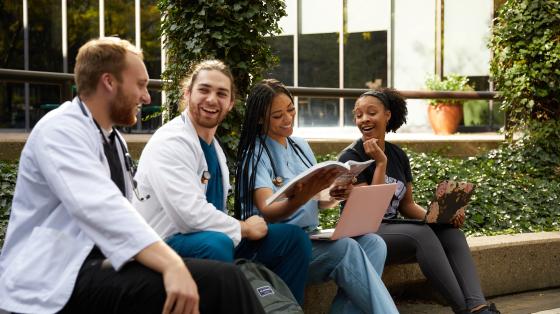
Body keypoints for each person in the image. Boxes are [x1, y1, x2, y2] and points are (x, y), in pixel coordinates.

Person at [0, 37, 264, 314]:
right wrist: (171, 264)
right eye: (140, 84)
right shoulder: (60, 130)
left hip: (99, 265)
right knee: (222, 281)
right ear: (109, 82)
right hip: (52, 277)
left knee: (216, 281)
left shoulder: (114, 140)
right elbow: (101, 208)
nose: (147, 97)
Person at [133, 60, 311, 304]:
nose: (212, 99)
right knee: (215, 243)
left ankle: (284, 309)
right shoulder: (171, 142)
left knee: (292, 239)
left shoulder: (214, 148)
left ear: (229, 104)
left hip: (214, 240)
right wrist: (244, 227)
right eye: (204, 90)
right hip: (165, 246)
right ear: (187, 94)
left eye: (221, 94)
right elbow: (190, 216)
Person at [235, 79, 399, 314]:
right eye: (278, 115)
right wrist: (308, 193)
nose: (288, 119)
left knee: (374, 243)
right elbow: (267, 210)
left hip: (312, 236)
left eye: (291, 109)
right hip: (278, 245)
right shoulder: (255, 154)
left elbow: (319, 201)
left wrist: (335, 194)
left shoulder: (300, 146)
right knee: (346, 250)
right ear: (261, 119)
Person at [338, 88, 501, 314]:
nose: (364, 119)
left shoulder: (398, 155)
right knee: (421, 234)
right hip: (364, 232)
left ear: (387, 115)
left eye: (371, 113)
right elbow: (369, 212)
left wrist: (441, 218)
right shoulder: (350, 157)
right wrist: (380, 163)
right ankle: (464, 310)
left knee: (451, 233)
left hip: (392, 231)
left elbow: (407, 205)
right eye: (358, 115)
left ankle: (478, 305)